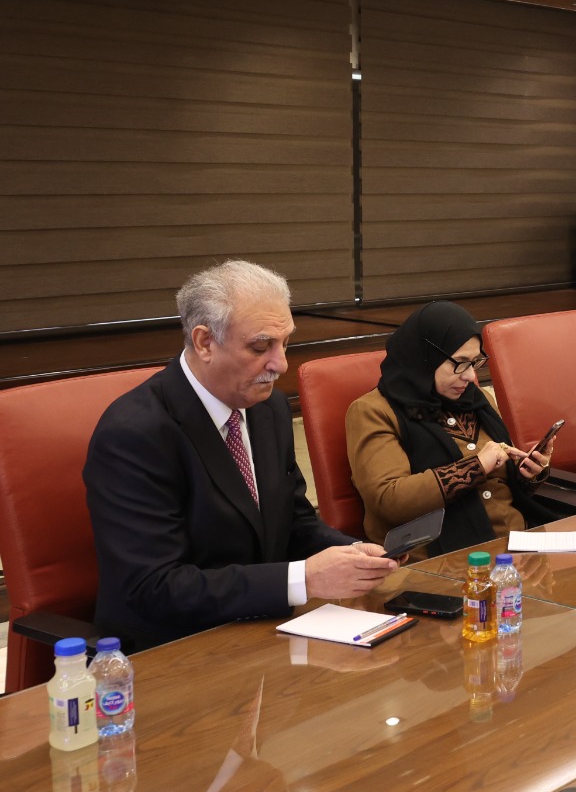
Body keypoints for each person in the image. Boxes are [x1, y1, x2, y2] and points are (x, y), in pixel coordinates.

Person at [86, 261, 396, 651]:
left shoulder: (268, 408)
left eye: (285, 343)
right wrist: (305, 578)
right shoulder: (135, 433)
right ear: (204, 342)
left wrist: (351, 554)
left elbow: (292, 522)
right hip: (171, 650)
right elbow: (155, 587)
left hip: (263, 628)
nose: (281, 364)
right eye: (260, 347)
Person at [346, 301, 558, 558]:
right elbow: (389, 501)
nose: (469, 376)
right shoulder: (373, 411)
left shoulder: (476, 400)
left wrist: (528, 473)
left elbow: (502, 488)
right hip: (444, 558)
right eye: (459, 363)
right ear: (426, 357)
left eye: (475, 362)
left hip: (517, 546)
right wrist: (476, 466)